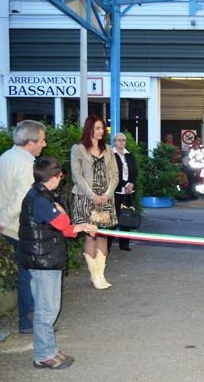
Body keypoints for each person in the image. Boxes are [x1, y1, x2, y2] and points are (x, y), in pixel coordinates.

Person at [19, 157, 97, 370]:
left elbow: (60, 228)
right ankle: (43, 355)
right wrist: (63, 213)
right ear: (53, 178)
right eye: (61, 176)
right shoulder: (40, 200)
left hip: (48, 259)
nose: (61, 179)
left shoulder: (42, 196)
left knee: (51, 308)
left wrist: (81, 227)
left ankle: (49, 350)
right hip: (43, 261)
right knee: (46, 310)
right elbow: (63, 222)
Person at [0, 120, 46, 333]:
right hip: (17, 227)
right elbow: (21, 201)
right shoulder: (25, 165)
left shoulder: (4, 158)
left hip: (10, 226)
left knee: (28, 273)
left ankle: (30, 318)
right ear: (30, 142)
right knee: (29, 275)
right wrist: (1, 221)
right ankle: (27, 321)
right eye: (42, 140)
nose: (44, 144)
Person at [70, 115, 119, 290]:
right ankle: (94, 275)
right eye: (97, 128)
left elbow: (115, 175)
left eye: (102, 128)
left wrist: (107, 194)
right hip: (86, 199)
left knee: (103, 236)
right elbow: (77, 176)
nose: (101, 131)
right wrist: (93, 196)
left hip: (105, 199)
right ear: (89, 128)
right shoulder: (78, 149)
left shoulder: (108, 149)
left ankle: (100, 274)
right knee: (91, 236)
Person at [109, 133, 138, 252]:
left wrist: (131, 184)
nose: (121, 142)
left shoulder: (129, 155)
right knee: (112, 218)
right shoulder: (110, 155)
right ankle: (108, 244)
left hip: (129, 191)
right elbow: (112, 174)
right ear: (114, 142)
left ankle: (124, 244)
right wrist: (125, 184)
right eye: (119, 140)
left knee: (127, 216)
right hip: (115, 191)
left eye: (124, 140)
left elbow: (135, 171)